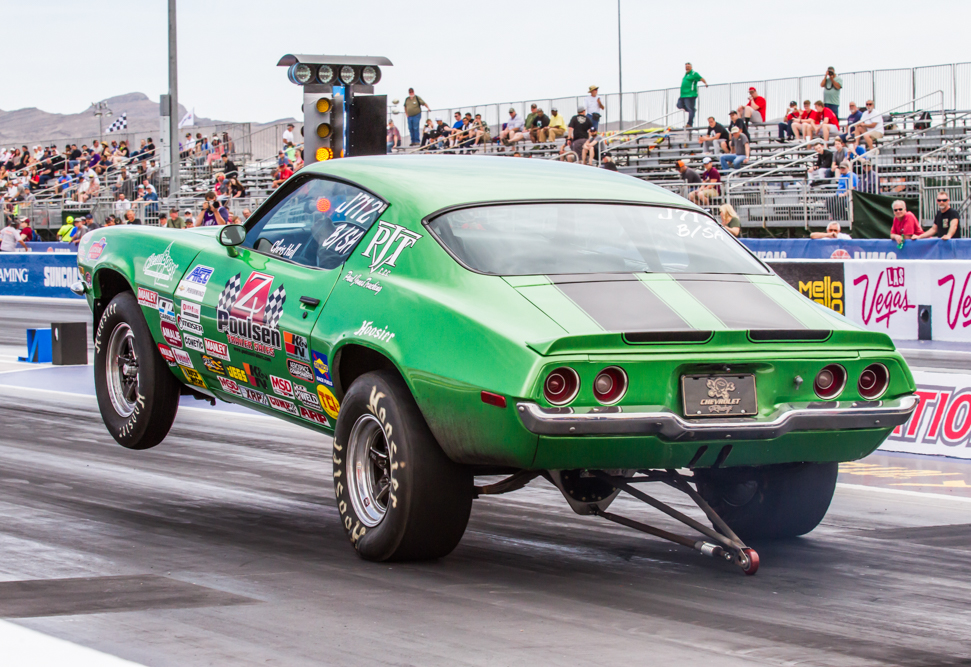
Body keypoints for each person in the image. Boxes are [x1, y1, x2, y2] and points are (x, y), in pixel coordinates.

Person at [677, 63, 707, 128]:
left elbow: (700, 78)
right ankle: (692, 110)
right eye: (686, 66)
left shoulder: (694, 74)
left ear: (691, 67)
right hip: (683, 94)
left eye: (688, 66)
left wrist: (705, 83)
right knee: (679, 105)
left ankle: (689, 124)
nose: (687, 67)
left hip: (690, 94)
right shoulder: (686, 75)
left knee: (690, 108)